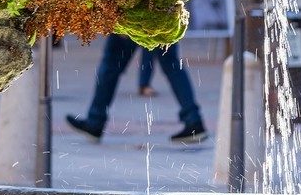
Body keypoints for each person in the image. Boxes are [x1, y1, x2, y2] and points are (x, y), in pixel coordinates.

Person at [67, 33, 208, 144]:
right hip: (163, 12)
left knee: (111, 64)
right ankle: (193, 120)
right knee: (172, 64)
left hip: (137, 11)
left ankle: (95, 121)